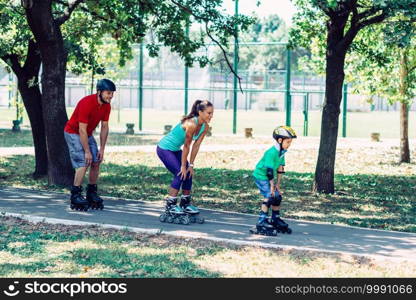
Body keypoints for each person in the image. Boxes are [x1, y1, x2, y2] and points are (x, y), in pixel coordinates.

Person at [157, 100, 213, 224]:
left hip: (175, 150)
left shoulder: (205, 126)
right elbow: (187, 146)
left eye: (212, 113)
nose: (211, 116)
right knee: (180, 173)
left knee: (188, 173)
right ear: (200, 112)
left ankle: (184, 203)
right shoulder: (191, 123)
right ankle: (170, 205)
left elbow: (196, 146)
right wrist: (183, 166)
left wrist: (190, 165)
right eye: (208, 113)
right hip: (164, 148)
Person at [64, 79, 116, 211]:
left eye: (112, 94)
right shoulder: (86, 103)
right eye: (108, 93)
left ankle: (91, 193)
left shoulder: (106, 106)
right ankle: (75, 195)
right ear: (99, 92)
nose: (110, 96)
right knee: (84, 161)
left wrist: (102, 149)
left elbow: (104, 127)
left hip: (86, 133)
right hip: (73, 132)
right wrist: (87, 151)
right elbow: (81, 129)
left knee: (96, 160)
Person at [250, 125, 297, 235]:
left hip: (269, 177)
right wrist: (272, 186)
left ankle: (275, 219)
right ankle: (261, 222)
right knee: (270, 196)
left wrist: (278, 185)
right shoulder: (271, 152)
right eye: (288, 142)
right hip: (261, 176)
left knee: (277, 196)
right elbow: (269, 171)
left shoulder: (282, 152)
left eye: (290, 142)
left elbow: (280, 169)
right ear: (280, 140)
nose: (289, 145)